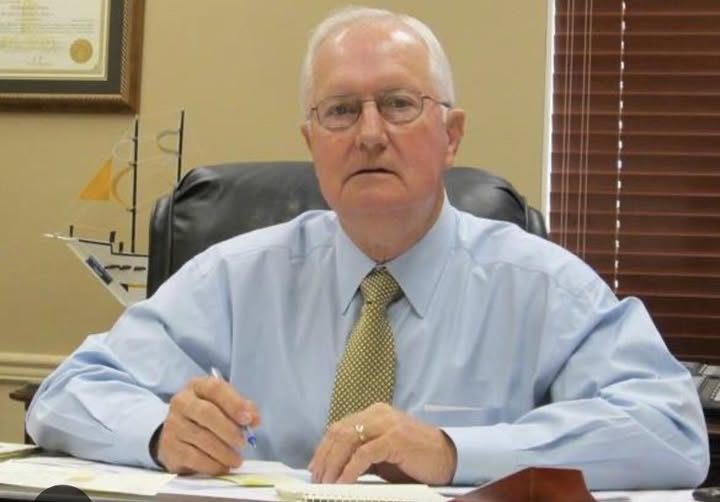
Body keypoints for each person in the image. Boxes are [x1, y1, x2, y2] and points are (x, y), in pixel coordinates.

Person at [27, 5, 708, 490]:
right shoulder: (235, 276)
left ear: (452, 134)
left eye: (399, 104)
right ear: (312, 142)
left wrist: (453, 451)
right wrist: (158, 433)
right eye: (341, 111)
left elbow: (670, 428)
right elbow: (67, 392)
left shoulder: (541, 286)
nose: (370, 133)